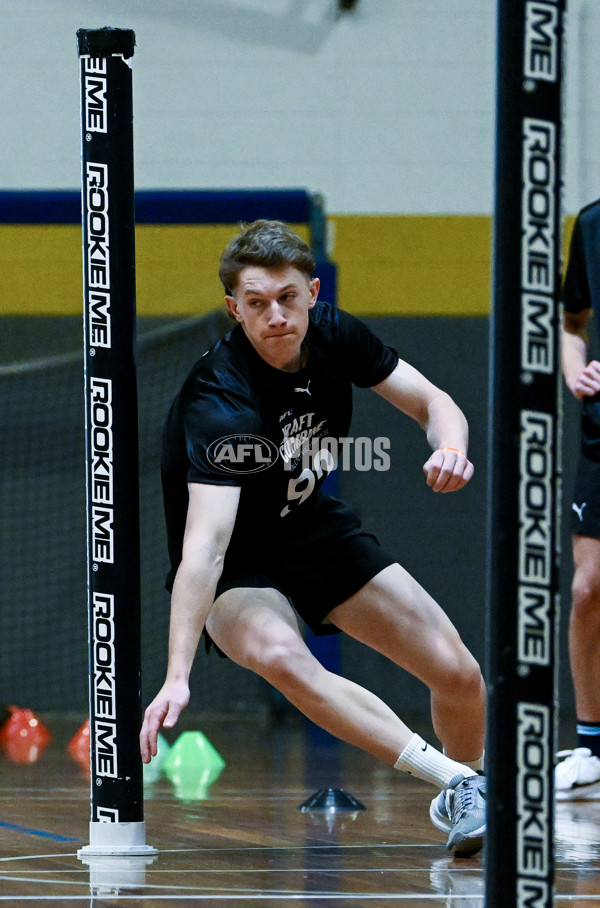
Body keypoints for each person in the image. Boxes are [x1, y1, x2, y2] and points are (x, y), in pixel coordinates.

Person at [140, 220, 487, 856]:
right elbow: (205, 549)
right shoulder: (219, 397)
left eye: (288, 298)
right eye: (256, 303)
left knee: (460, 675)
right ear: (233, 308)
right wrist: (177, 675)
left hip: (312, 528)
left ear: (312, 293)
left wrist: (453, 449)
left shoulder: (334, 333)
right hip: (241, 564)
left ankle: (468, 803)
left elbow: (433, 403)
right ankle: (460, 780)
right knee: (279, 654)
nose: (276, 315)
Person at [556, 198, 600, 799]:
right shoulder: (591, 224)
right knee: (588, 588)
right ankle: (592, 746)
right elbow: (572, 322)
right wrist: (576, 369)